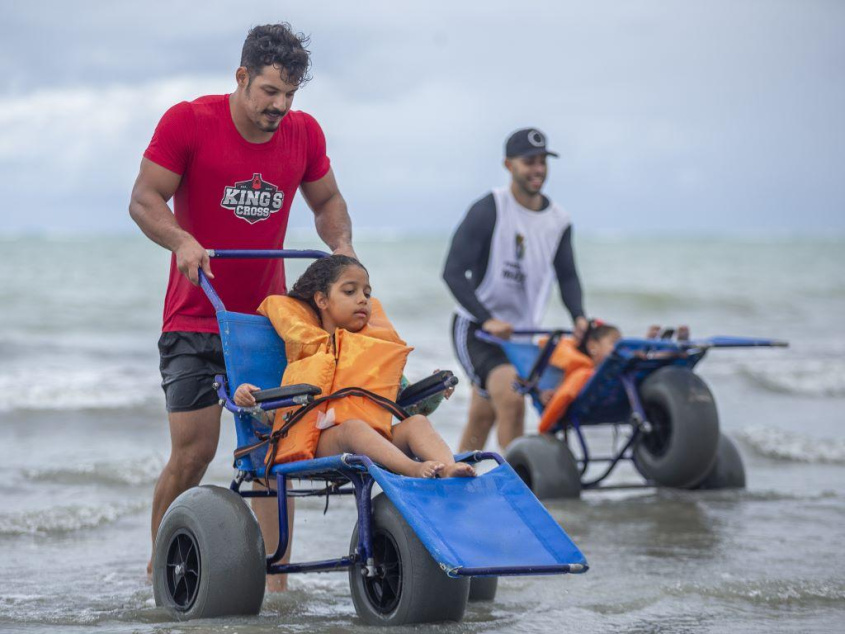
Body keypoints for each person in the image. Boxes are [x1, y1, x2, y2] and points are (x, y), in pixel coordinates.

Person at [128, 23, 355, 590]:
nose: (280, 107)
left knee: (269, 453)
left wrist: (342, 248)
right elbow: (144, 199)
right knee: (195, 452)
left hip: (264, 321)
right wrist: (181, 240)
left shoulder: (303, 134)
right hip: (195, 318)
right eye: (270, 93)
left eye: (290, 96)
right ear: (242, 77)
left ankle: (276, 583)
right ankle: (164, 566)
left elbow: (326, 200)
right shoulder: (189, 121)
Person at [233, 255, 476, 478]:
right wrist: (250, 399)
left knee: (417, 424)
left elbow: (410, 408)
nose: (362, 299)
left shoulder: (374, 351)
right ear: (322, 300)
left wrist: (433, 393)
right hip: (324, 444)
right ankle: (413, 469)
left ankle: (447, 467)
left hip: (378, 442)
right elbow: (278, 415)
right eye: (350, 291)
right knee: (354, 429)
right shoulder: (307, 353)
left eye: (367, 294)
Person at [443, 128, 587, 452]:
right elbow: (452, 272)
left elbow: (568, 277)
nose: (537, 169)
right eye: (528, 162)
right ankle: (520, 488)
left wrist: (579, 317)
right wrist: (487, 318)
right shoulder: (490, 208)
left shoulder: (559, 220)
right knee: (511, 399)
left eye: (542, 162)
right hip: (478, 330)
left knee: (483, 415)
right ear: (509, 165)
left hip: (521, 336)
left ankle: (455, 482)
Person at [537, 321, 691, 433]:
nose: (619, 346)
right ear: (593, 347)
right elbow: (565, 394)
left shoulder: (614, 365)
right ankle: (663, 349)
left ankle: (660, 348)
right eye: (614, 342)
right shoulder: (583, 372)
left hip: (626, 397)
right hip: (598, 405)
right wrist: (546, 421)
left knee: (636, 363)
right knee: (630, 361)